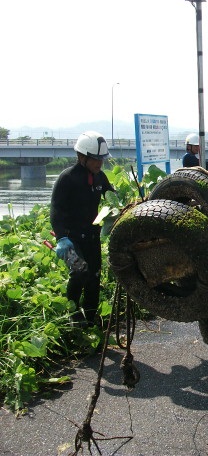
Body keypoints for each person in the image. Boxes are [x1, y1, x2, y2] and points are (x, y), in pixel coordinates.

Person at [50, 131, 114, 326]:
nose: (99, 163)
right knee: (79, 273)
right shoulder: (67, 178)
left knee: (94, 277)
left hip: (92, 237)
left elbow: (112, 199)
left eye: (101, 159)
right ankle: (72, 316)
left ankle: (91, 319)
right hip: (71, 238)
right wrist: (61, 237)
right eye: (95, 159)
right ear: (82, 156)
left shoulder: (100, 178)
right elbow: (56, 210)